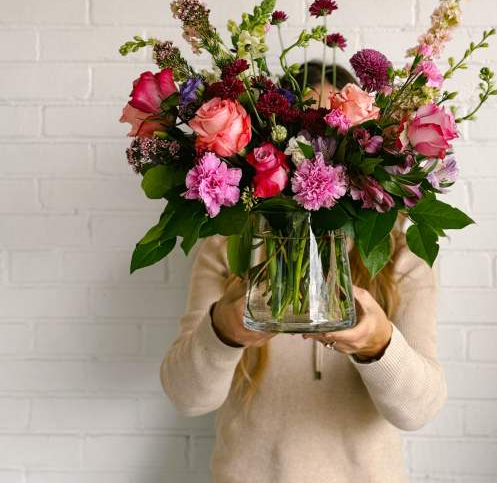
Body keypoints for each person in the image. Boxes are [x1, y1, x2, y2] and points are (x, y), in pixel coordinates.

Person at [160, 60, 448, 483]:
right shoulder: (231, 247)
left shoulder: (398, 257)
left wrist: (378, 344)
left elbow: (419, 411)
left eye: (335, 133)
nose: (320, 149)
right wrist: (222, 330)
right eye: (306, 133)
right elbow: (187, 397)